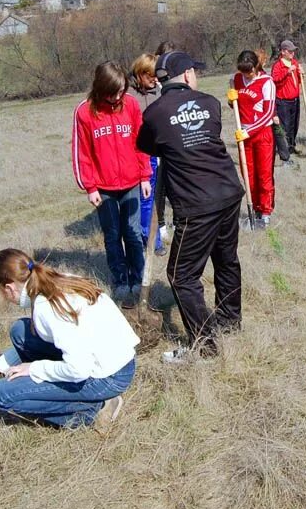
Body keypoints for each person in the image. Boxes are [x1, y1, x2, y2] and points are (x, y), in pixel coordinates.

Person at [137, 52, 244, 361]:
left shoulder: (155, 113)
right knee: (226, 260)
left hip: (197, 204)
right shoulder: (210, 103)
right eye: (195, 71)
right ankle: (228, 321)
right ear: (186, 76)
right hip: (227, 191)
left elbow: (147, 145)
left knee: (182, 275)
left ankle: (205, 344)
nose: (196, 76)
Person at [0, 249, 138, 428]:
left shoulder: (46, 307)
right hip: (116, 360)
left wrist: (34, 368)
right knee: (20, 330)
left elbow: (79, 369)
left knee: (2, 394)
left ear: (9, 288)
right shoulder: (54, 278)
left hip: (108, 376)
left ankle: (93, 409)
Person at [73, 61, 151, 308]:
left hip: (131, 183)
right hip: (103, 187)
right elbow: (82, 153)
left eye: (121, 91)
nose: (118, 97)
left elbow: (142, 143)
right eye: (113, 92)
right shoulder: (85, 112)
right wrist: (90, 187)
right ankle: (120, 280)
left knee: (133, 232)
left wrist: (145, 176)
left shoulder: (131, 105)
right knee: (113, 234)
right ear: (100, 88)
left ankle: (137, 278)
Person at [231, 50, 276, 226]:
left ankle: (265, 212)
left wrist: (250, 131)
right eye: (242, 72)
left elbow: (269, 113)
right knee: (248, 175)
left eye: (248, 71)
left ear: (255, 67)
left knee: (264, 174)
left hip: (262, 134)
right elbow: (237, 107)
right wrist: (231, 101)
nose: (245, 75)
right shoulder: (236, 80)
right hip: (244, 136)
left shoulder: (267, 82)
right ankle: (255, 208)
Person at [129, 54, 165, 257]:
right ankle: (151, 240)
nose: (154, 80)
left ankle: (154, 236)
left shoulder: (158, 92)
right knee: (145, 198)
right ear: (140, 73)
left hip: (155, 151)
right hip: (136, 151)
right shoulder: (128, 95)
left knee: (152, 198)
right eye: (150, 76)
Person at [270, 39, 303, 161]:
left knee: (294, 124)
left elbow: (298, 81)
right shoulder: (278, 66)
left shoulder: (294, 62)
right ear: (283, 52)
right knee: (285, 126)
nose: (293, 54)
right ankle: (285, 149)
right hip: (283, 101)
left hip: (295, 99)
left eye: (293, 51)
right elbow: (275, 81)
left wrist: (301, 74)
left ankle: (292, 146)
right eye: (290, 51)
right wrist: (287, 73)